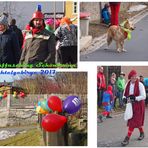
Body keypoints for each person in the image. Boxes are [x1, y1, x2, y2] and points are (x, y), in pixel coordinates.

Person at [121, 70, 146, 146]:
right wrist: (124, 98)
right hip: (130, 105)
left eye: (135, 76)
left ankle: (127, 138)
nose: (134, 78)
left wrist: (135, 98)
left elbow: (144, 96)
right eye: (133, 77)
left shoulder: (140, 85)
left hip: (139, 105)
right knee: (134, 121)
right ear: (130, 78)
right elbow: (124, 94)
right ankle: (142, 133)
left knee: (133, 122)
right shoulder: (127, 84)